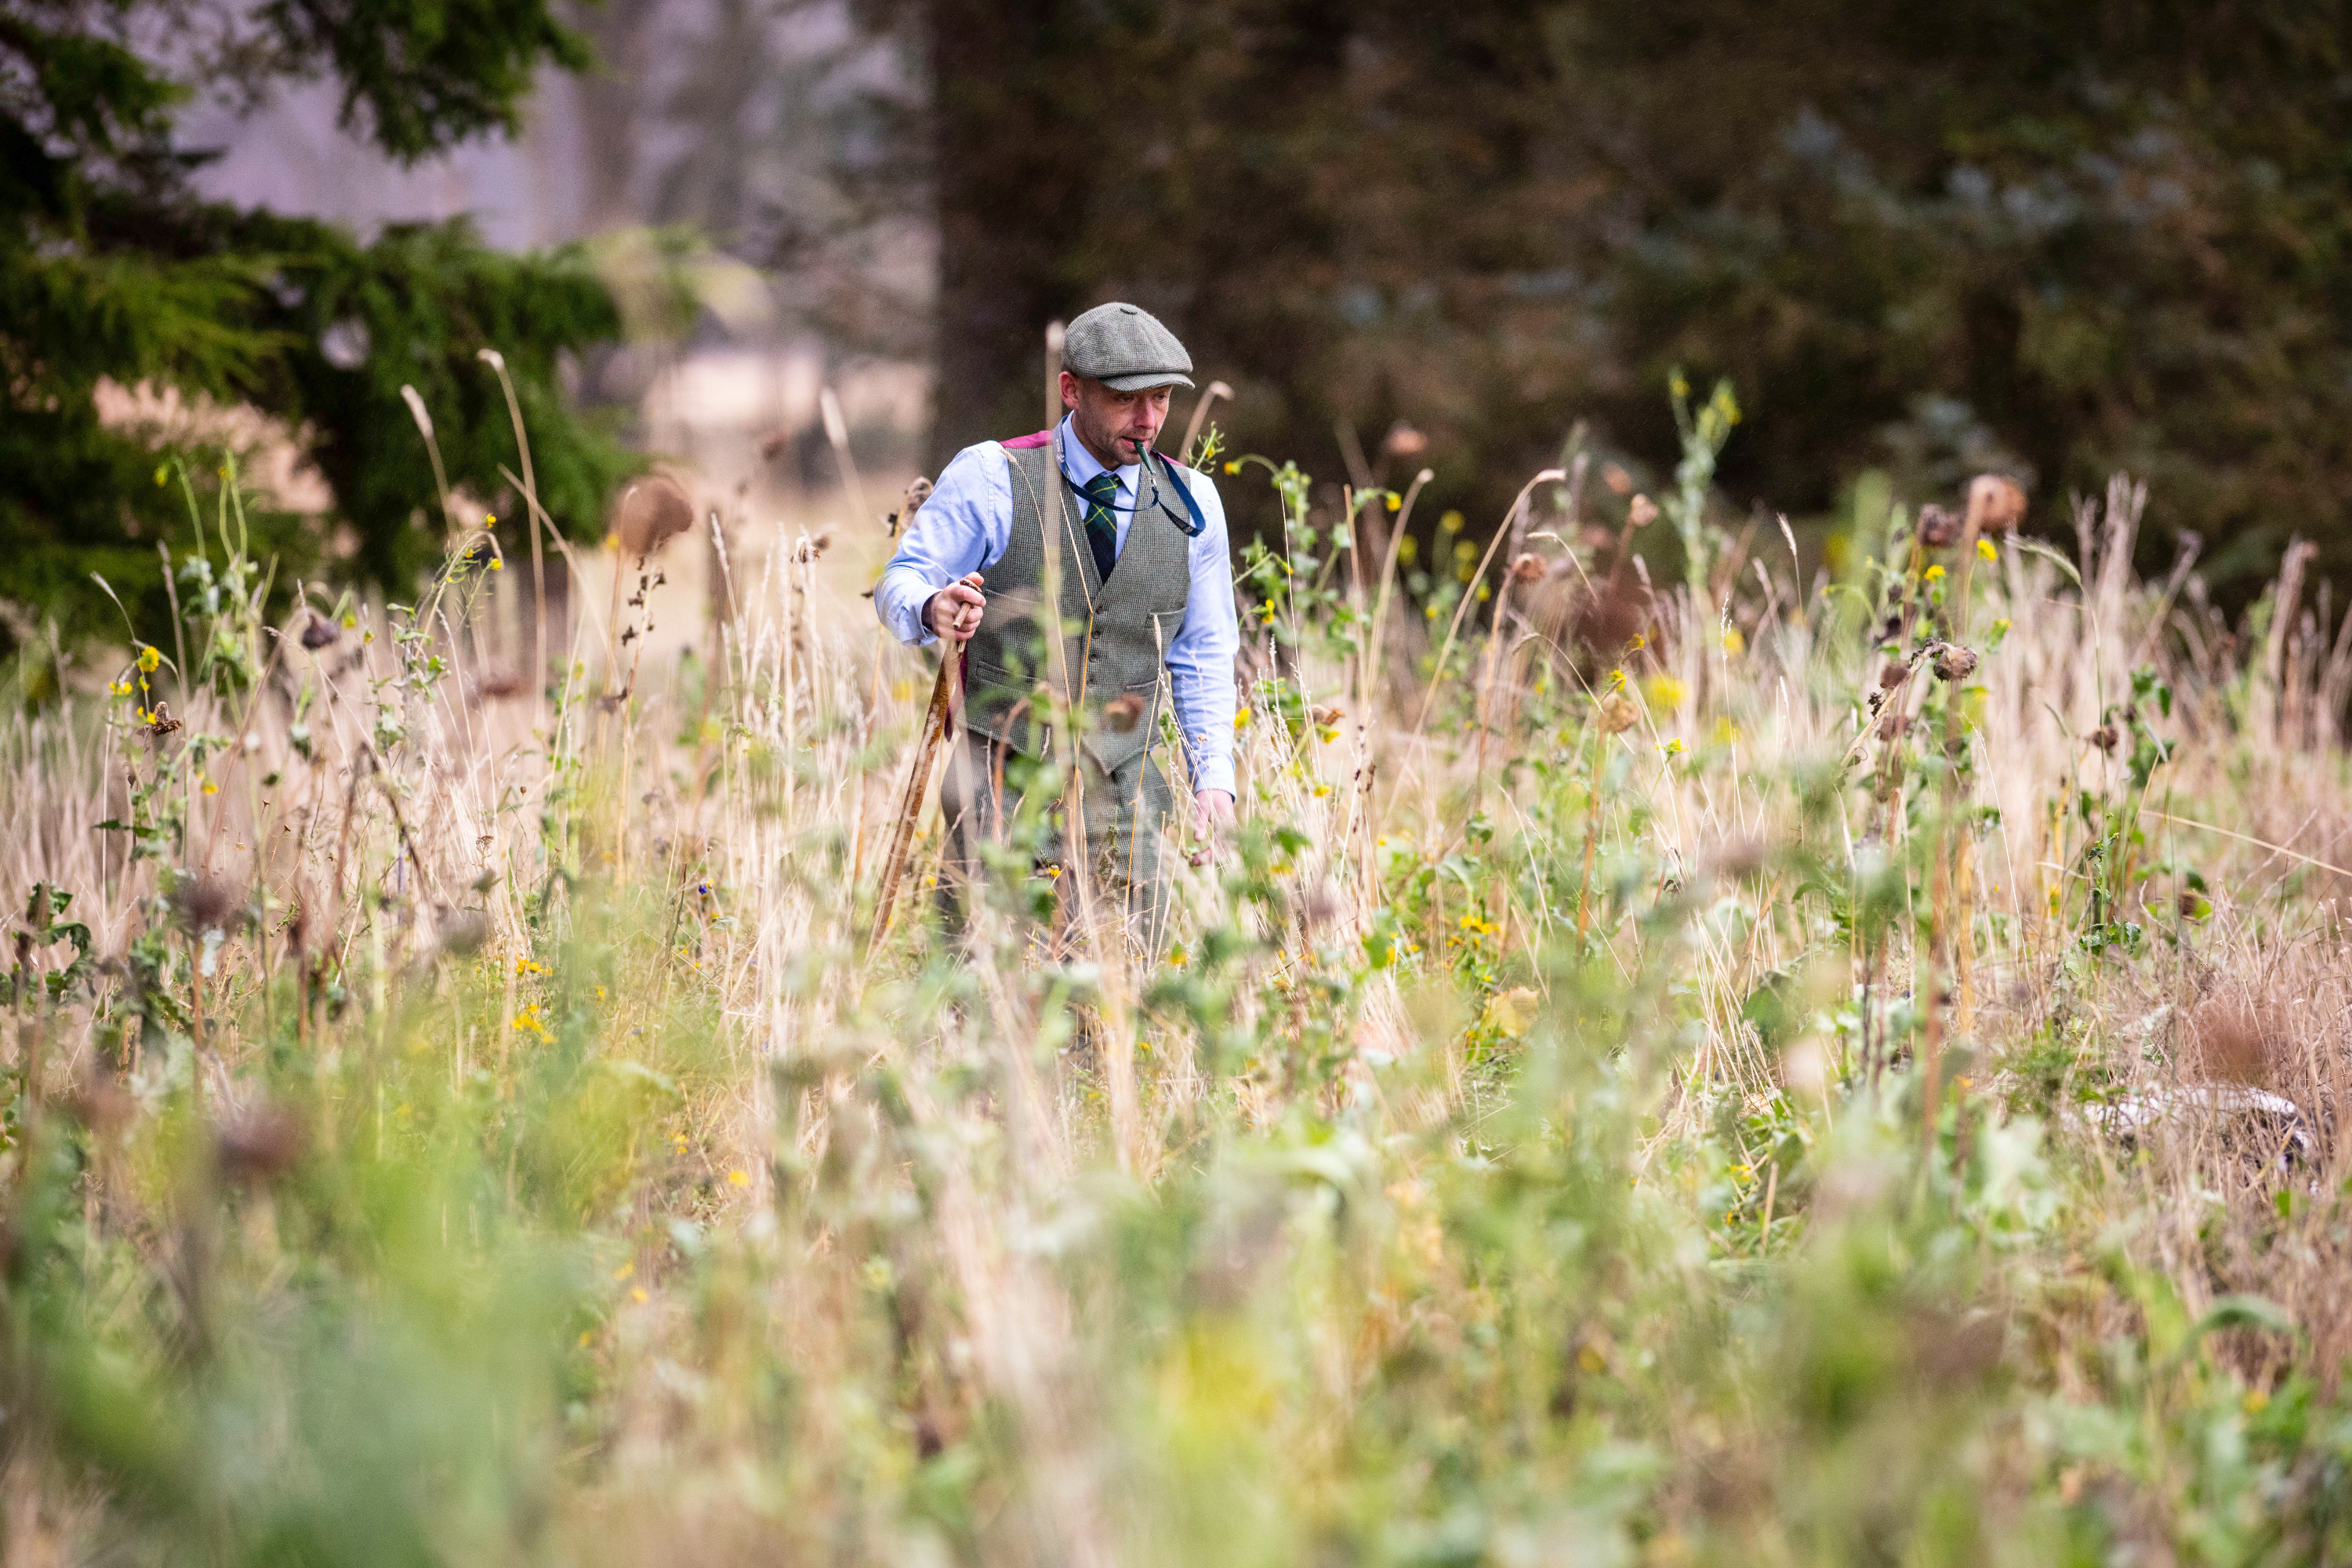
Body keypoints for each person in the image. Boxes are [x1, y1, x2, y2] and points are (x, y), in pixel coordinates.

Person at [874, 301, 1240, 942]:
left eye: (1160, 399)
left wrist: (1214, 784)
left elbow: (1203, 657)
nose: (1149, 420)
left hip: (1129, 798)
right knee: (991, 1001)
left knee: (1123, 1006)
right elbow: (900, 580)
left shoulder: (1193, 503)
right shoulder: (993, 476)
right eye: (1128, 400)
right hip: (999, 791)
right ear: (1071, 389)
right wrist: (932, 606)